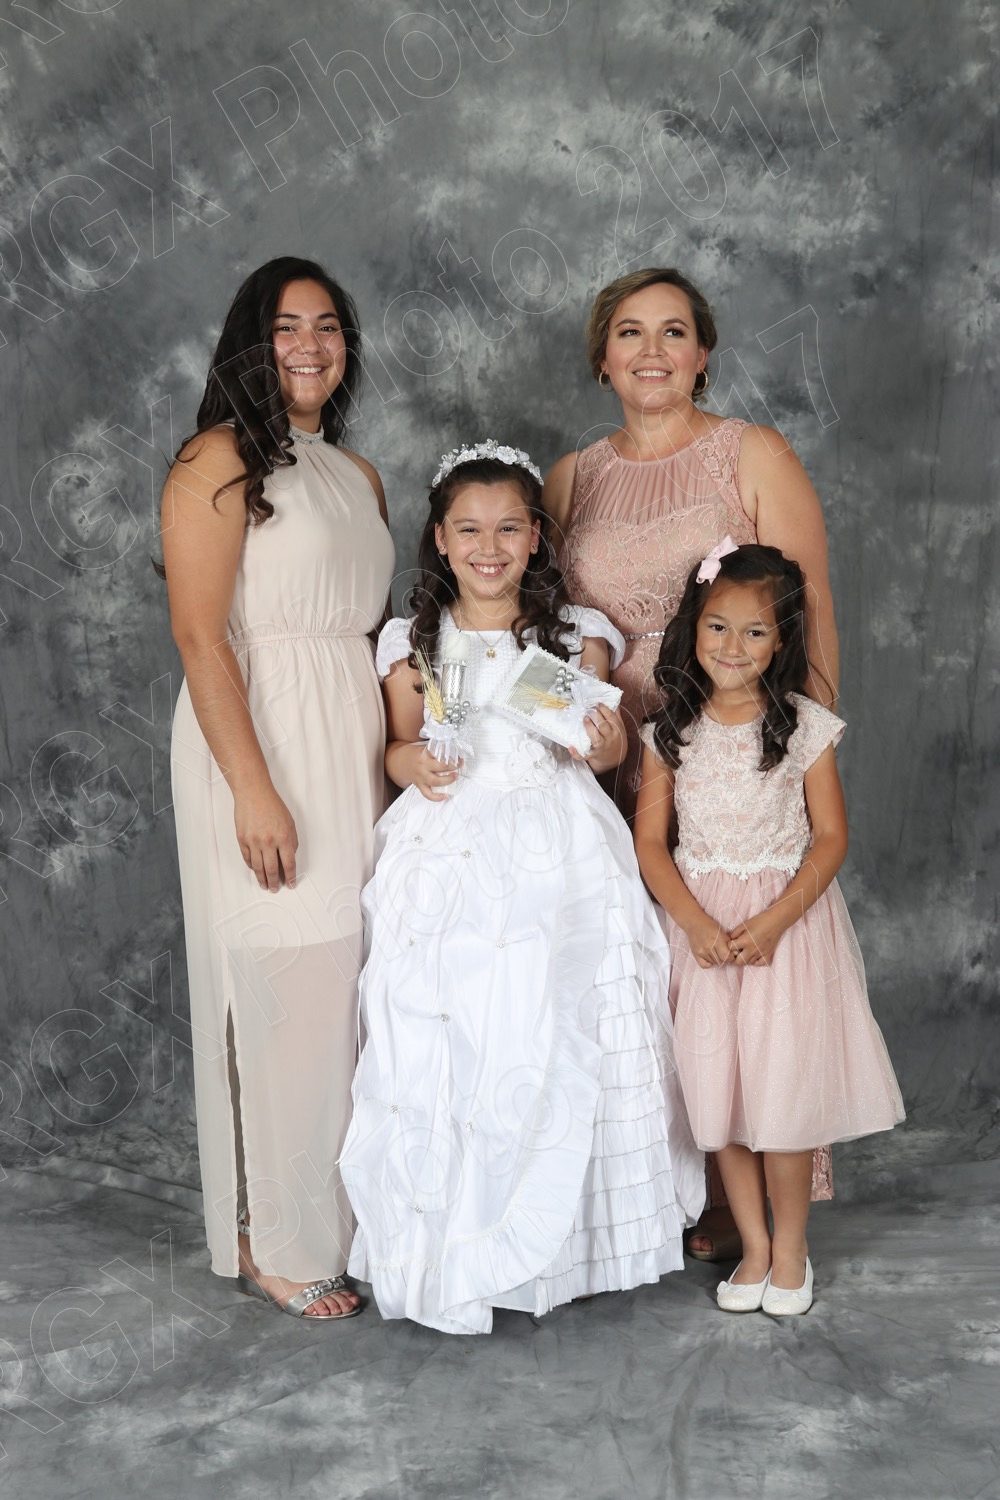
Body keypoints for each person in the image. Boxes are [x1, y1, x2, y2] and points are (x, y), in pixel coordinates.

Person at [339, 441, 705, 1334]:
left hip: (558, 832)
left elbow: (606, 746)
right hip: (451, 838)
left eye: (509, 529)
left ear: (537, 536)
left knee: (561, 1011)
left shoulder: (575, 634)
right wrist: (413, 763)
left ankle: (573, 1241)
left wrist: (603, 740)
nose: (489, 547)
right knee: (455, 1016)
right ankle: (460, 1237)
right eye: (469, 530)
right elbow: (396, 747)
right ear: (439, 538)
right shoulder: (413, 642)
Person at [544, 264, 840, 1258]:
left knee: (735, 973)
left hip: (730, 758)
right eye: (630, 332)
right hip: (607, 761)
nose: (652, 351)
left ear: (703, 354)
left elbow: (808, 616)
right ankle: (652, 1180)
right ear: (602, 357)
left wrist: (788, 758)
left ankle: (742, 1206)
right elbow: (541, 623)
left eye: (674, 331)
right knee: (640, 973)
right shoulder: (570, 477)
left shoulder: (752, 454)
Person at [164, 257, 395, 1319]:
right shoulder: (214, 459)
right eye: (287, 326)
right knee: (282, 977)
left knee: (346, 983)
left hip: (350, 738)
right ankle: (274, 1238)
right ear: (250, 345)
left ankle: (344, 1220)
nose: (310, 344)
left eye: (328, 326)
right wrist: (253, 790)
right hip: (259, 738)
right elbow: (199, 635)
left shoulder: (358, 475)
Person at [633, 540, 904, 1315]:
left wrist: (778, 920)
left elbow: (831, 839)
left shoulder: (804, 728)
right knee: (717, 1096)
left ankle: (790, 1252)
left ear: (781, 640)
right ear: (693, 627)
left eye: (755, 632)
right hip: (703, 938)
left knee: (781, 1099)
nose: (732, 647)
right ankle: (751, 1246)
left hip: (785, 933)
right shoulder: (668, 733)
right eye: (717, 627)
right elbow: (650, 846)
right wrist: (693, 923)